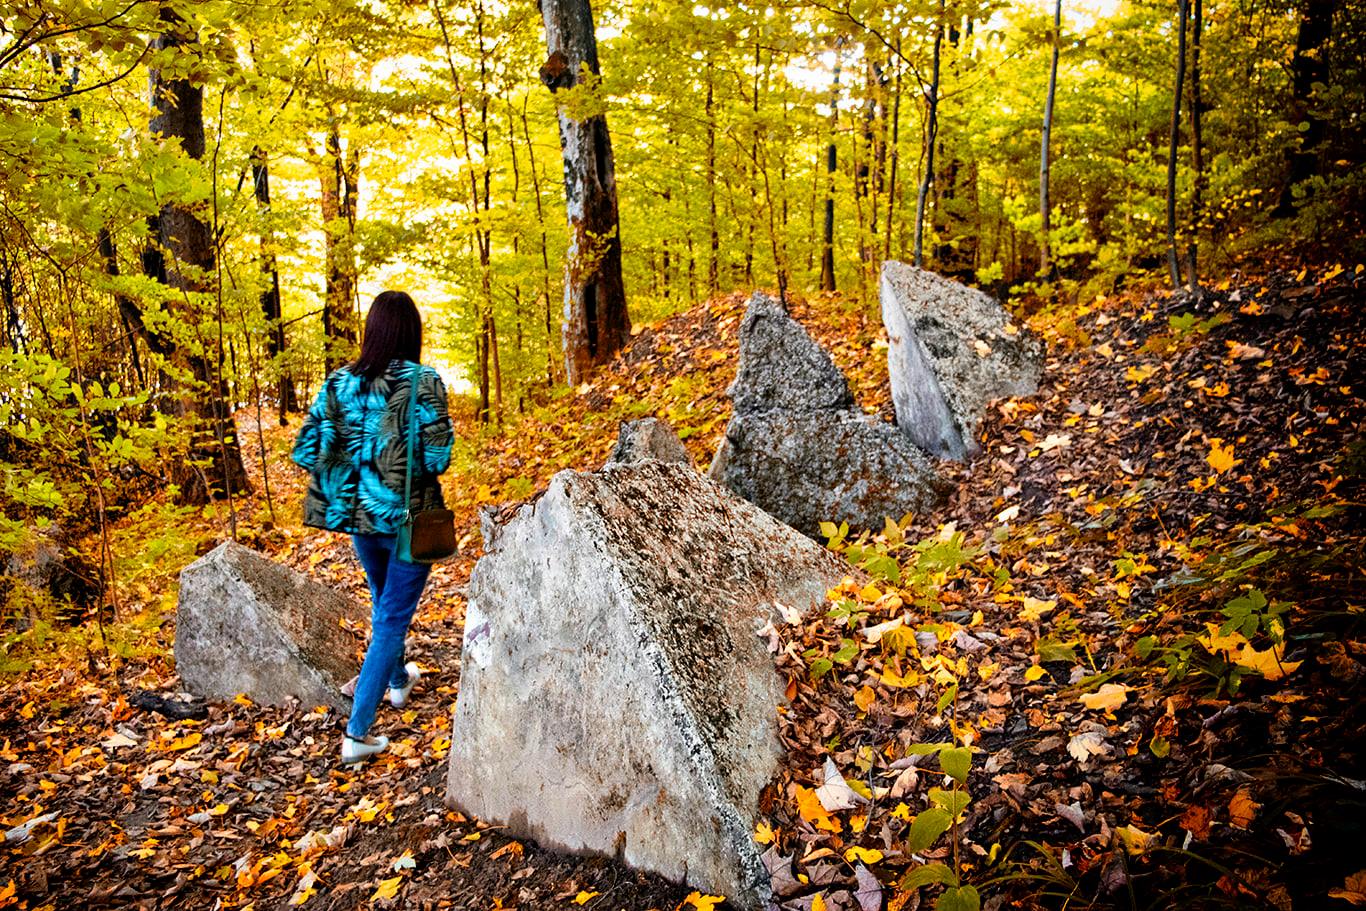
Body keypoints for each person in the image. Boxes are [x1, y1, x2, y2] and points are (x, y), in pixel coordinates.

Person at [291, 290, 453, 765]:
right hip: (406, 521)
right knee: (390, 619)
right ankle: (357, 732)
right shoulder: (423, 382)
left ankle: (399, 681)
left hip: (360, 521)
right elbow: (438, 459)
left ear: (372, 331)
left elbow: (306, 451)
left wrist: (355, 469)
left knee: (384, 606)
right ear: (412, 332)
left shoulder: (339, 383)